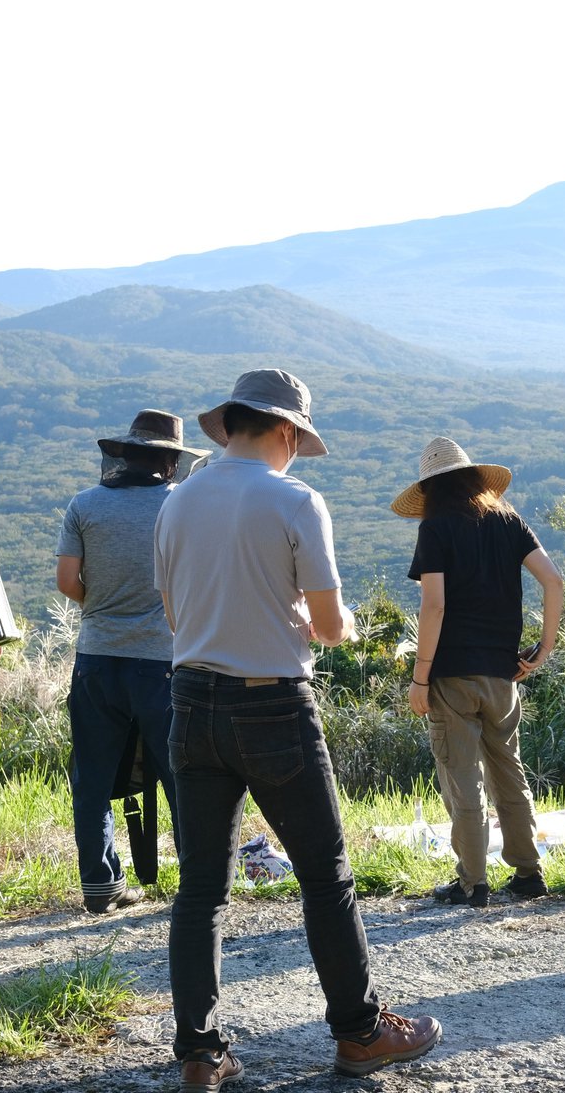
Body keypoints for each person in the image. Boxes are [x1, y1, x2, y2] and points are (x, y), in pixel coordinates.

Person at [153, 369, 442, 1088]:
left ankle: (199, 1052)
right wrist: (325, 627)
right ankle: (360, 1033)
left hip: (189, 701)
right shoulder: (295, 500)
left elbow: (172, 614)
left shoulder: (177, 501)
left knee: (201, 891)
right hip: (273, 705)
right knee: (325, 877)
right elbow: (333, 625)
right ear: (286, 432)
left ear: (231, 426)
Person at [394, 436, 563, 907]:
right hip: (503, 674)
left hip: (451, 676)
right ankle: (529, 872)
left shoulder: (436, 528)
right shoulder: (509, 521)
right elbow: (553, 580)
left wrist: (420, 677)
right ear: (473, 478)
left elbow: (434, 605)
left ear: (429, 489)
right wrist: (543, 649)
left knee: (461, 779)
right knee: (510, 772)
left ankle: (474, 881)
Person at [56, 409, 208, 914]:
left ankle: (101, 886)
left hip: (96, 656)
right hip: (164, 660)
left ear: (124, 454)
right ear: (170, 460)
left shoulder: (84, 505)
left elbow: (67, 583)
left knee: (93, 778)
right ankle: (196, 884)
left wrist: (103, 607)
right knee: (181, 775)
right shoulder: (184, 504)